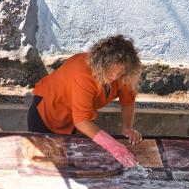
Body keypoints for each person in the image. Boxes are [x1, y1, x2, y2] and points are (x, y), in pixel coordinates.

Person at [27, 35, 143, 168]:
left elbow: (127, 100)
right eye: (111, 72)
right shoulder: (83, 73)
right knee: (47, 167)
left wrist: (127, 128)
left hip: (72, 119)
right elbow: (82, 121)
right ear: (101, 64)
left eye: (120, 73)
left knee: (66, 160)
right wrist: (115, 147)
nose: (115, 77)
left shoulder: (123, 73)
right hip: (47, 111)